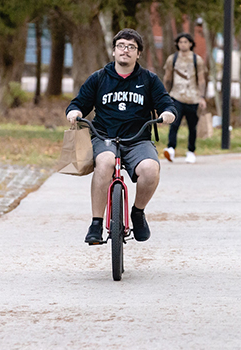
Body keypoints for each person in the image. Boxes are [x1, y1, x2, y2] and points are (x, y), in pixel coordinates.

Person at [65, 28, 177, 245]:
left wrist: (168, 114)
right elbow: (78, 102)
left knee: (150, 169)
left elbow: (166, 104)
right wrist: (74, 112)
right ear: (114, 51)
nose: (125, 50)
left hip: (138, 139)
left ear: (138, 54)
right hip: (104, 136)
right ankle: (96, 223)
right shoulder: (99, 78)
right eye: (121, 46)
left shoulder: (149, 80)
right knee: (105, 162)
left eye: (131, 47)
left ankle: (138, 212)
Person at [161, 33, 207, 164]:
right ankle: (170, 148)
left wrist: (202, 97)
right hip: (177, 96)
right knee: (174, 123)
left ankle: (191, 151)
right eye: (180, 42)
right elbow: (167, 78)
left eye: (185, 42)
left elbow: (202, 79)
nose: (183, 44)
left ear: (191, 44)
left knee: (192, 127)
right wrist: (165, 94)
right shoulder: (172, 59)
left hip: (193, 97)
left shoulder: (196, 59)